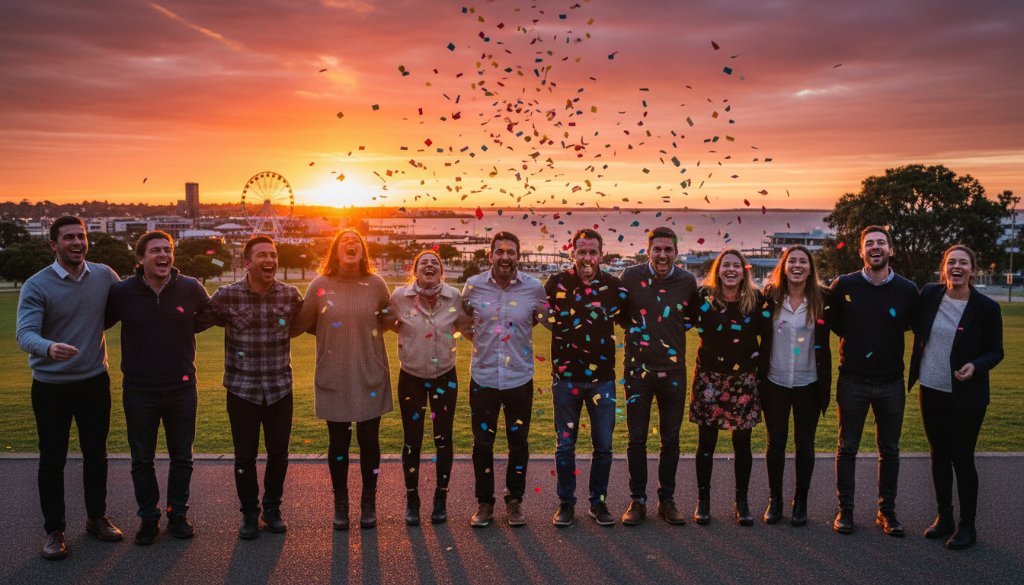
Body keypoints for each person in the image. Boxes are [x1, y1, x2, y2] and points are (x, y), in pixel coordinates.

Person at [16, 216, 123, 560]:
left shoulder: (105, 275)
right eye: (69, 238)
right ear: (54, 245)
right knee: (52, 461)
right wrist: (48, 347)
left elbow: (122, 306)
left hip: (94, 381)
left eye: (81, 236)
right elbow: (25, 333)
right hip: (51, 386)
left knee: (97, 455)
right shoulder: (37, 285)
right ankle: (54, 531)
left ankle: (96, 518)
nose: (78, 242)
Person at [106, 231, 210, 546]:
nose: (163, 255)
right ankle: (149, 518)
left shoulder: (190, 288)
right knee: (142, 458)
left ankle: (177, 514)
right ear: (140, 259)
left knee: (182, 457)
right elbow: (98, 321)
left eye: (167, 250)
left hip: (182, 388)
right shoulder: (123, 292)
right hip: (139, 390)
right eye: (155, 251)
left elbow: (210, 316)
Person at [200, 235, 304, 539]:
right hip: (242, 389)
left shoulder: (290, 295)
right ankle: (249, 514)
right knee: (244, 456)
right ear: (247, 263)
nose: (270, 260)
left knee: (278, 454)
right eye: (262, 255)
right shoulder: (226, 296)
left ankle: (272, 509)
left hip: (279, 388)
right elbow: (193, 322)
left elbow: (312, 323)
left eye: (273, 255)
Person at [292, 229, 392, 530]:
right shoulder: (320, 285)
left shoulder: (376, 285)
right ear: (335, 251)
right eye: (345, 242)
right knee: (338, 443)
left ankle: (368, 502)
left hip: (368, 372)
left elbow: (388, 321)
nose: (351, 244)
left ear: (363, 252)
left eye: (357, 242)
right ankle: (340, 503)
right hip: (334, 373)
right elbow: (301, 323)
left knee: (369, 442)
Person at [909, 245, 1003, 549]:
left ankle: (967, 526)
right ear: (944, 267)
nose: (957, 267)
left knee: (962, 459)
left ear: (973, 270)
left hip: (967, 396)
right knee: (938, 455)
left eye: (964, 263)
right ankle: (944, 517)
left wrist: (976, 365)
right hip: (931, 388)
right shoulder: (930, 294)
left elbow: (996, 351)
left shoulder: (986, 308)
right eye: (952, 262)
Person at [829, 225, 919, 536]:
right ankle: (846, 511)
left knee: (890, 449)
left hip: (891, 382)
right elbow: (836, 323)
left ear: (890, 250)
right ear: (861, 251)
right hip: (852, 379)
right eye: (870, 243)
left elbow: (912, 325)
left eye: (881, 243)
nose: (876, 247)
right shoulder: (844, 285)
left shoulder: (907, 290)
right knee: (847, 447)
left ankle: (887, 512)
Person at [462, 231, 548, 527]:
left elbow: (546, 321)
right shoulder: (473, 287)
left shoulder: (534, 289)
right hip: (483, 376)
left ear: (518, 256)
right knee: (482, 444)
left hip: (519, 378)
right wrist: (483, 343)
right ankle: (484, 503)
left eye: (511, 252)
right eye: (499, 251)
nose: (505, 257)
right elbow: (463, 323)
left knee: (518, 443)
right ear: (490, 256)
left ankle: (514, 501)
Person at [382, 250, 472, 526]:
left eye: (435, 263)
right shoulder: (400, 296)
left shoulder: (454, 297)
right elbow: (386, 323)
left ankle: (440, 499)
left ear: (441, 270)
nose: (430, 266)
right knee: (412, 440)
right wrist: (412, 335)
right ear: (415, 269)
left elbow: (467, 328)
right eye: (424, 263)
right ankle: (412, 500)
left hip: (445, 376)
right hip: (411, 376)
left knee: (443, 439)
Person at [545, 229, 627, 527]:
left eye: (592, 252)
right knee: (565, 446)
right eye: (582, 252)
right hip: (565, 380)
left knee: (603, 446)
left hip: (603, 380)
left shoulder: (615, 287)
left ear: (601, 255)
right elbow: (543, 316)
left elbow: (627, 319)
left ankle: (598, 502)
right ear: (573, 254)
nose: (587, 258)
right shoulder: (556, 283)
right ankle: (566, 504)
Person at [619, 227, 697, 526]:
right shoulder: (629, 277)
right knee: (636, 438)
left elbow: (689, 318)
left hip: (673, 372)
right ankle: (637, 500)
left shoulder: (687, 281)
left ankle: (667, 500)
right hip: (637, 371)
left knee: (671, 439)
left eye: (668, 250)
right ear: (647, 251)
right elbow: (622, 316)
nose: (663, 255)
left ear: (676, 252)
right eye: (657, 250)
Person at [689, 249, 765, 526]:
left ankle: (741, 501)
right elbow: (680, 321)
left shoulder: (757, 300)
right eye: (725, 266)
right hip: (709, 378)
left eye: (736, 265)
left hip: (744, 380)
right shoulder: (702, 298)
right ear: (718, 270)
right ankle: (703, 500)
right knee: (706, 442)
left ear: (744, 270)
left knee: (742, 443)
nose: (731, 270)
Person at [758, 245, 832, 527]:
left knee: (805, 445)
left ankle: (800, 502)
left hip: (808, 383)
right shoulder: (769, 298)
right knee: (775, 443)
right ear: (784, 267)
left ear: (810, 268)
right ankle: (774, 501)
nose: (798, 265)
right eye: (792, 261)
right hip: (775, 382)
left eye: (803, 261)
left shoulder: (823, 300)